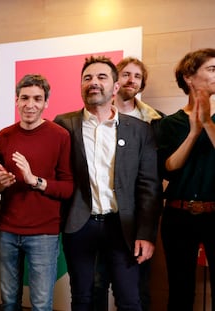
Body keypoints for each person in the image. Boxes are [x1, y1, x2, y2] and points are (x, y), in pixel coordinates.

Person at [54, 55, 161, 311]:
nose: (94, 83)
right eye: (87, 78)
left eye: (102, 77)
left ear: (115, 87)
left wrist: (146, 233)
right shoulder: (64, 124)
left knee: (129, 299)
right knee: (83, 298)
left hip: (123, 226)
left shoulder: (139, 130)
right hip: (80, 224)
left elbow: (149, 186)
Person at [0, 74, 74, 311]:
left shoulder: (60, 136)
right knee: (9, 303)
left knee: (40, 304)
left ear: (46, 102)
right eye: (25, 98)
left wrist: (34, 180)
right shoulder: (4, 136)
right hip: (7, 230)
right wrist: (1, 183)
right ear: (16, 100)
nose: (30, 104)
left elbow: (68, 188)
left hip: (44, 234)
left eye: (37, 99)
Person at [93, 56, 165, 311]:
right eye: (126, 74)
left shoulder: (155, 122)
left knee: (136, 289)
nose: (131, 80)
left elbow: (154, 177)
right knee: (96, 285)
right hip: (100, 216)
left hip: (134, 218)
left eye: (137, 76)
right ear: (114, 81)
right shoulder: (90, 117)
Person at [157, 48, 215, 311]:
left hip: (214, 213)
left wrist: (207, 124)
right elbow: (168, 168)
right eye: (212, 69)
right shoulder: (168, 124)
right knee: (181, 292)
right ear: (189, 77)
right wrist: (193, 133)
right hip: (178, 215)